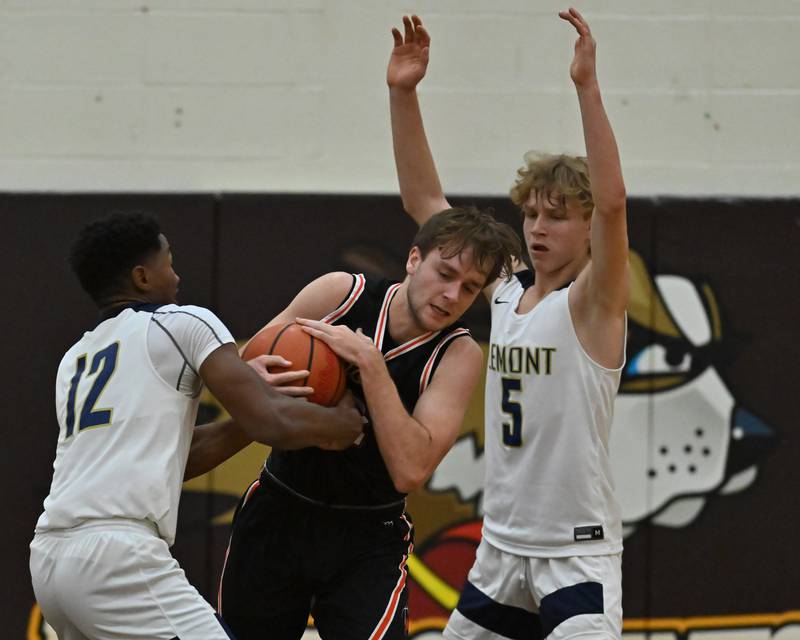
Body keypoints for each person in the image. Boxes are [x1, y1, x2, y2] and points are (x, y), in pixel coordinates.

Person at [387, 8, 628, 639]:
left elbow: (613, 203)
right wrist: (403, 95)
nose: (539, 227)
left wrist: (586, 87)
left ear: (587, 230)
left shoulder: (593, 302)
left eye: (558, 216)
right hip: (501, 547)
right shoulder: (505, 288)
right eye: (532, 213)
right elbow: (424, 203)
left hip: (574, 550)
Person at [29, 211, 364, 640]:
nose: (177, 274)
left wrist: (247, 408)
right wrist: (341, 423)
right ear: (142, 277)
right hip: (117, 556)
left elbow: (177, 460)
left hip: (51, 559)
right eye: (168, 261)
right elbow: (273, 422)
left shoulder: (75, 358)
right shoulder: (184, 321)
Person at [218, 207, 521, 639]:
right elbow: (249, 368)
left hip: (368, 536)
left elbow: (410, 469)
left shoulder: (458, 355)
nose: (452, 294)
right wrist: (260, 377)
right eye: (446, 273)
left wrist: (371, 367)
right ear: (415, 259)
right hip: (279, 508)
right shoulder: (341, 293)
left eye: (469, 288)